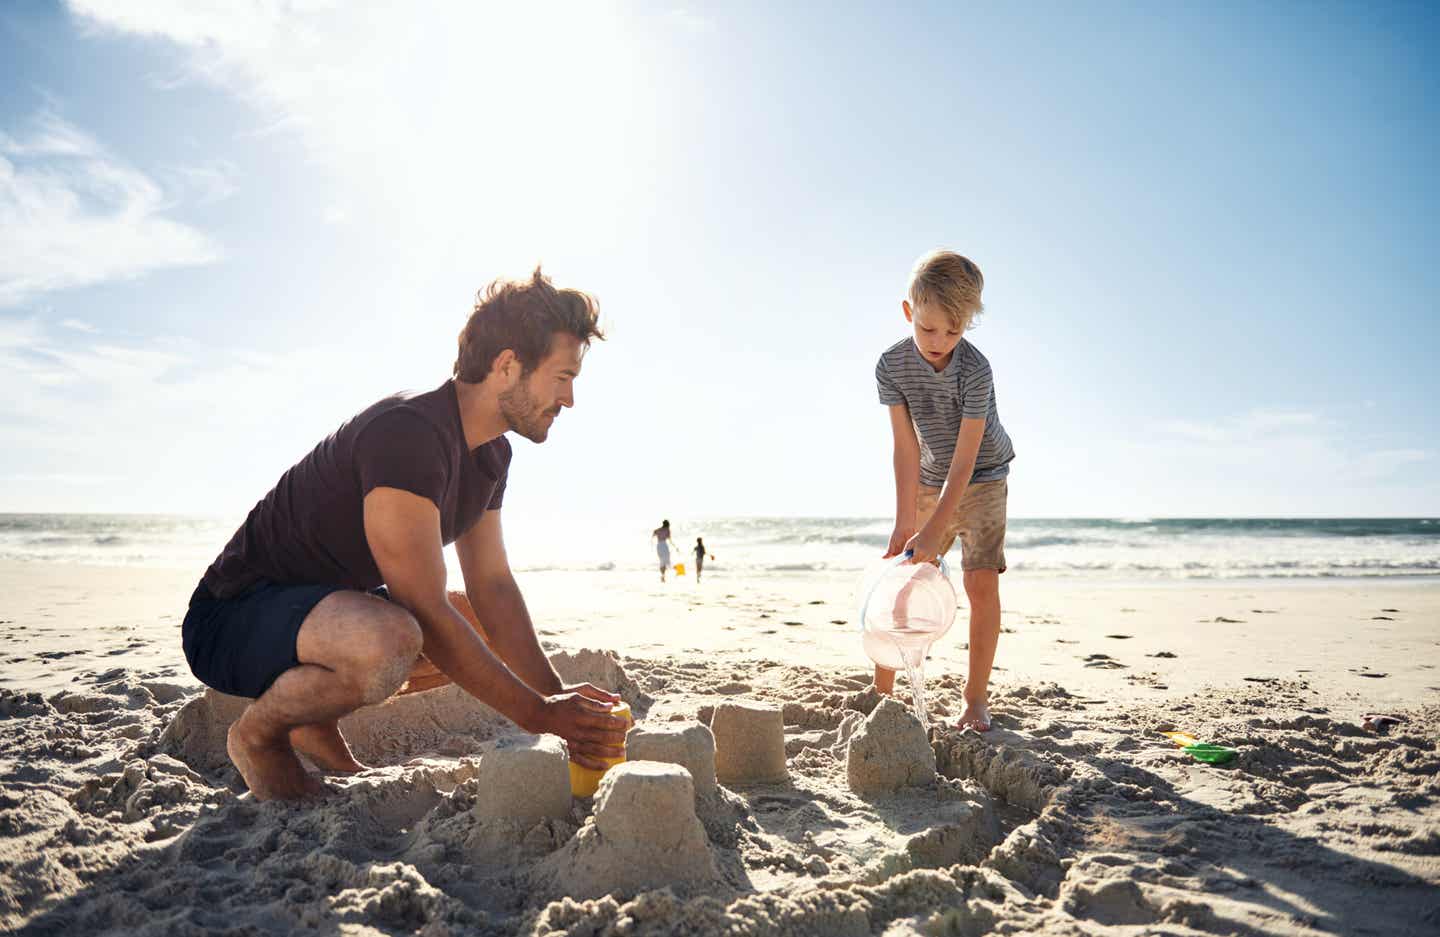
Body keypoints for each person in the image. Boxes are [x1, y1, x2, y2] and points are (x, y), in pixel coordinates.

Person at [181, 267, 630, 801]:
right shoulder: (409, 433)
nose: (570, 399)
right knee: (392, 638)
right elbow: (423, 606)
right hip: (231, 619)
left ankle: (312, 717)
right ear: (508, 366)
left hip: (322, 611)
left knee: (477, 619)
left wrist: (554, 696)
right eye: (562, 377)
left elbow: (493, 587)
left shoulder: (492, 454)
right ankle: (258, 736)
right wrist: (538, 714)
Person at [874, 250, 1015, 732]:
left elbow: (967, 459)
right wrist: (906, 522)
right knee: (905, 573)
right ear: (909, 312)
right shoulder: (890, 366)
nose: (940, 342)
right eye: (929, 328)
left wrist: (936, 529)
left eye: (953, 332)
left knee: (980, 583)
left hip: (983, 475)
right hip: (931, 477)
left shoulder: (975, 371)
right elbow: (904, 447)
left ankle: (975, 699)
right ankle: (883, 692)